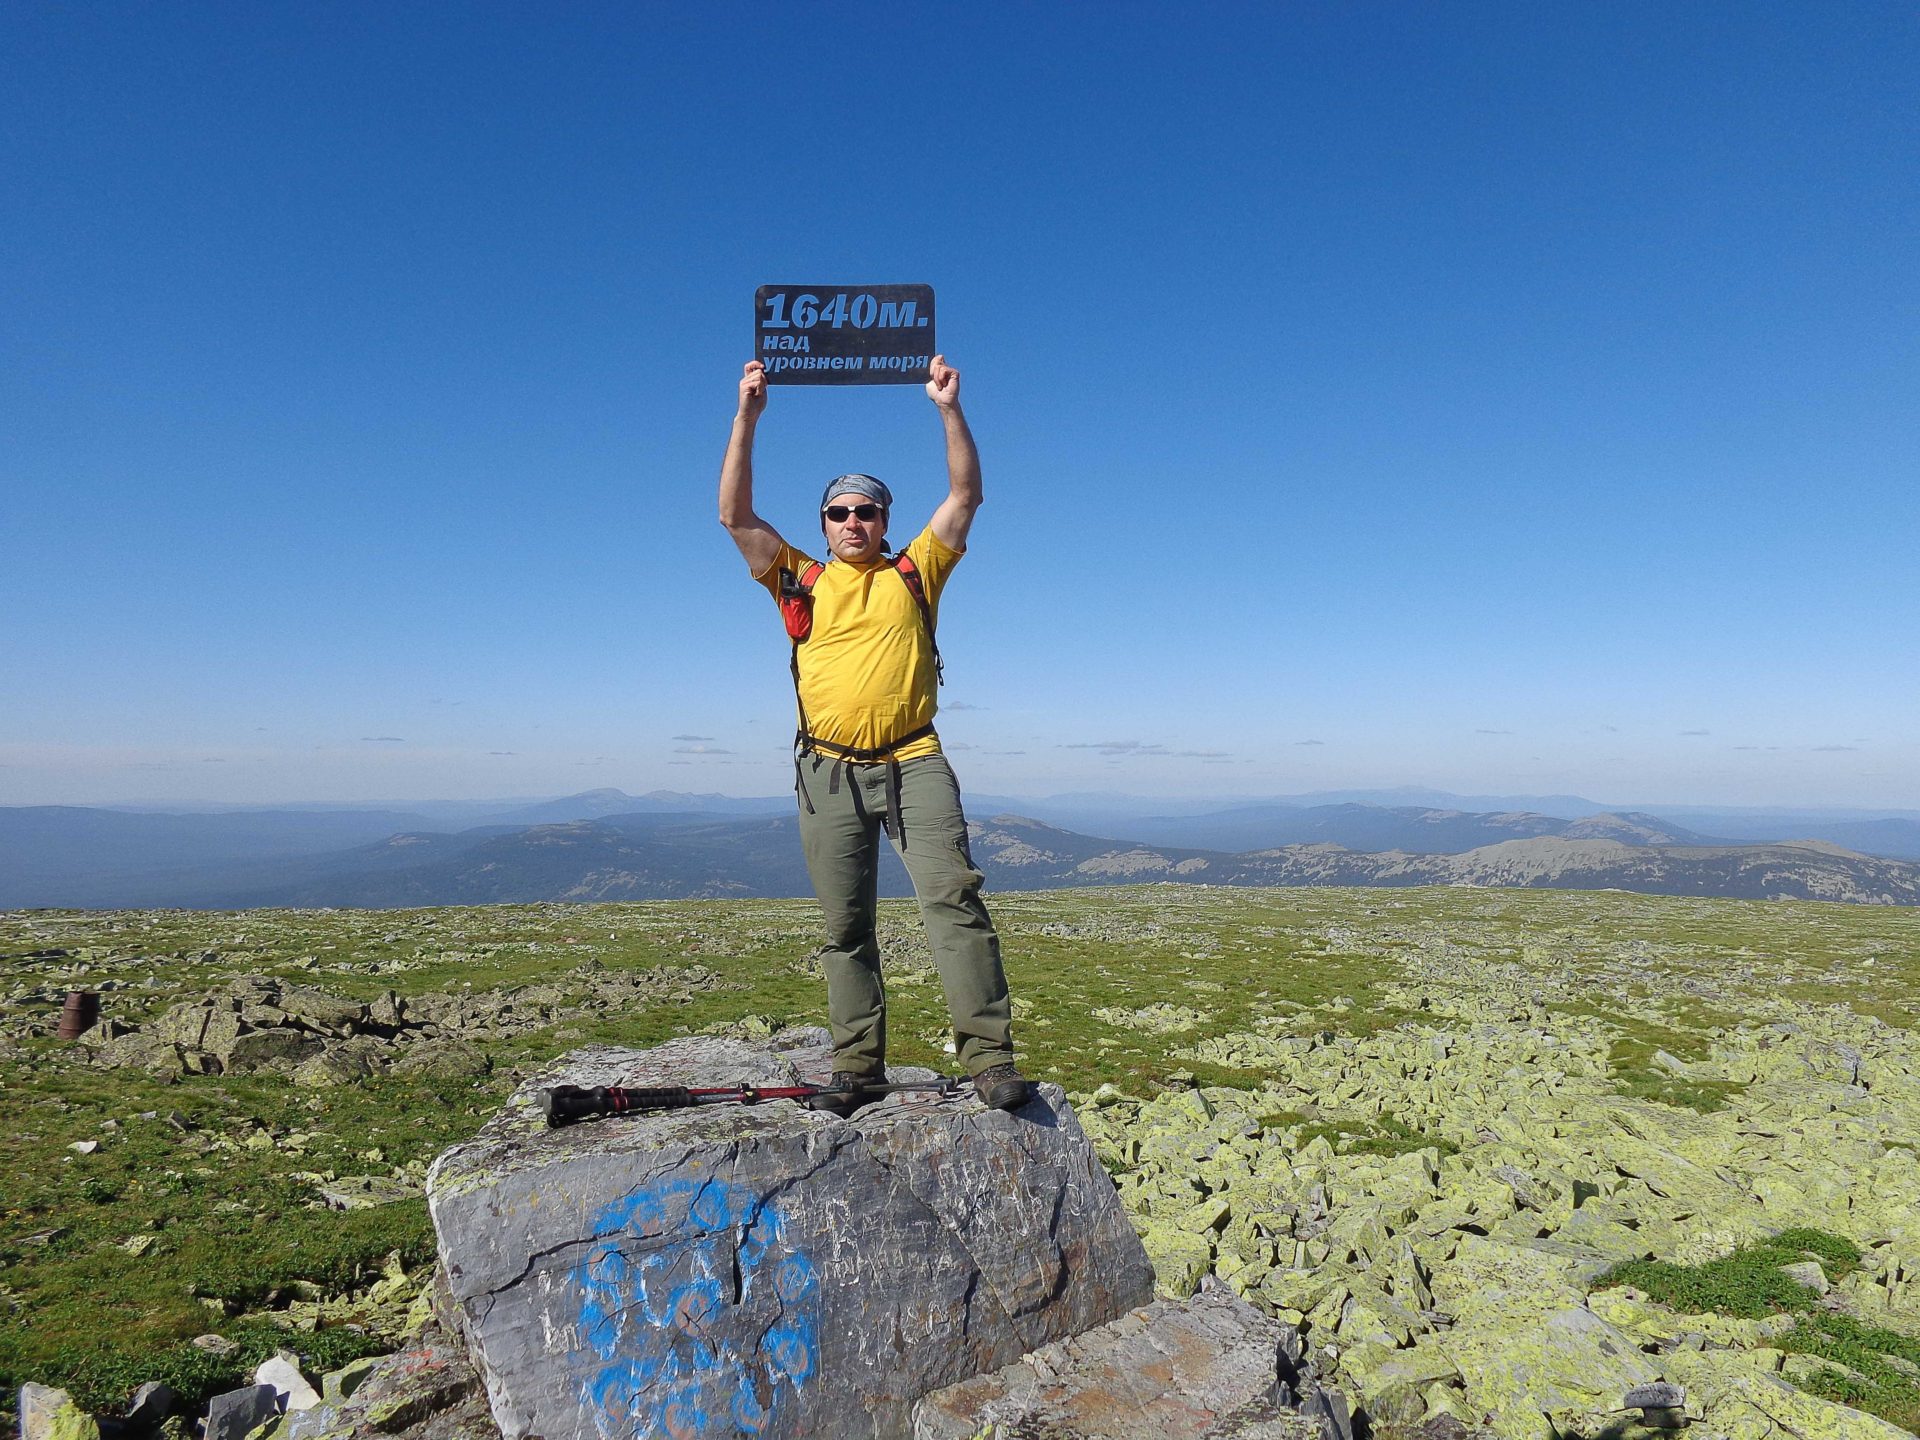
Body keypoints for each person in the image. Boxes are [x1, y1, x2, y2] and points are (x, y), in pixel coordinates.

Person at [717, 354, 1032, 1114]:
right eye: (839, 513)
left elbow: (966, 494)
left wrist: (948, 409)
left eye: (866, 511)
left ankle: (988, 1060)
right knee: (844, 924)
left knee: (953, 900)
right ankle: (857, 1066)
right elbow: (733, 515)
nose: (853, 523)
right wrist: (747, 416)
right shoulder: (801, 578)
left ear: (885, 522)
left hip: (915, 758)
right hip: (826, 771)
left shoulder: (916, 572)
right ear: (823, 525)